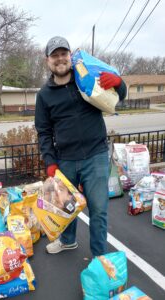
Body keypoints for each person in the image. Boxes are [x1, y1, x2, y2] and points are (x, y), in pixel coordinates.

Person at [35, 36, 127, 257]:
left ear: (70, 56)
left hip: (95, 155)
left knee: (98, 210)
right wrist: (50, 162)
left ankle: (98, 256)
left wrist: (118, 83)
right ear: (47, 60)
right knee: (66, 207)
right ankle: (68, 241)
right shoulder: (44, 95)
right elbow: (44, 132)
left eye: (63, 54)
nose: (60, 59)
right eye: (55, 55)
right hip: (65, 159)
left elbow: (117, 97)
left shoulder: (85, 79)